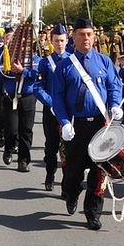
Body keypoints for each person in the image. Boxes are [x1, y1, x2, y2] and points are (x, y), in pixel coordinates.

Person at [51, 18, 123, 231]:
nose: (86, 38)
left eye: (89, 34)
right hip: (76, 125)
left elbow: (114, 86)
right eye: (82, 34)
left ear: (94, 36)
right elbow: (58, 98)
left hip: (101, 125)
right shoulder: (64, 66)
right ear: (74, 37)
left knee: (99, 171)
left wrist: (115, 105)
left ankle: (93, 213)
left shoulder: (104, 61)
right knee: (73, 171)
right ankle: (71, 194)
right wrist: (64, 122)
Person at [0, 44, 42, 172]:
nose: (23, 48)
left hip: (28, 97)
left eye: (26, 45)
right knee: (11, 129)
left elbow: (38, 74)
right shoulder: (7, 57)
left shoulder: (35, 59)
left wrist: (23, 71)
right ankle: (8, 149)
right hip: (11, 97)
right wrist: (7, 68)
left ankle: (23, 160)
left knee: (26, 130)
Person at [36, 24, 68, 191]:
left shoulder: (73, 61)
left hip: (69, 113)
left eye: (62, 40)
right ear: (52, 41)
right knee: (51, 147)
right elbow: (38, 87)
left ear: (67, 41)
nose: (59, 44)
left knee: (68, 149)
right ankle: (50, 173)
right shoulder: (45, 63)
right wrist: (51, 103)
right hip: (51, 111)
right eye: (56, 41)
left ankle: (66, 183)